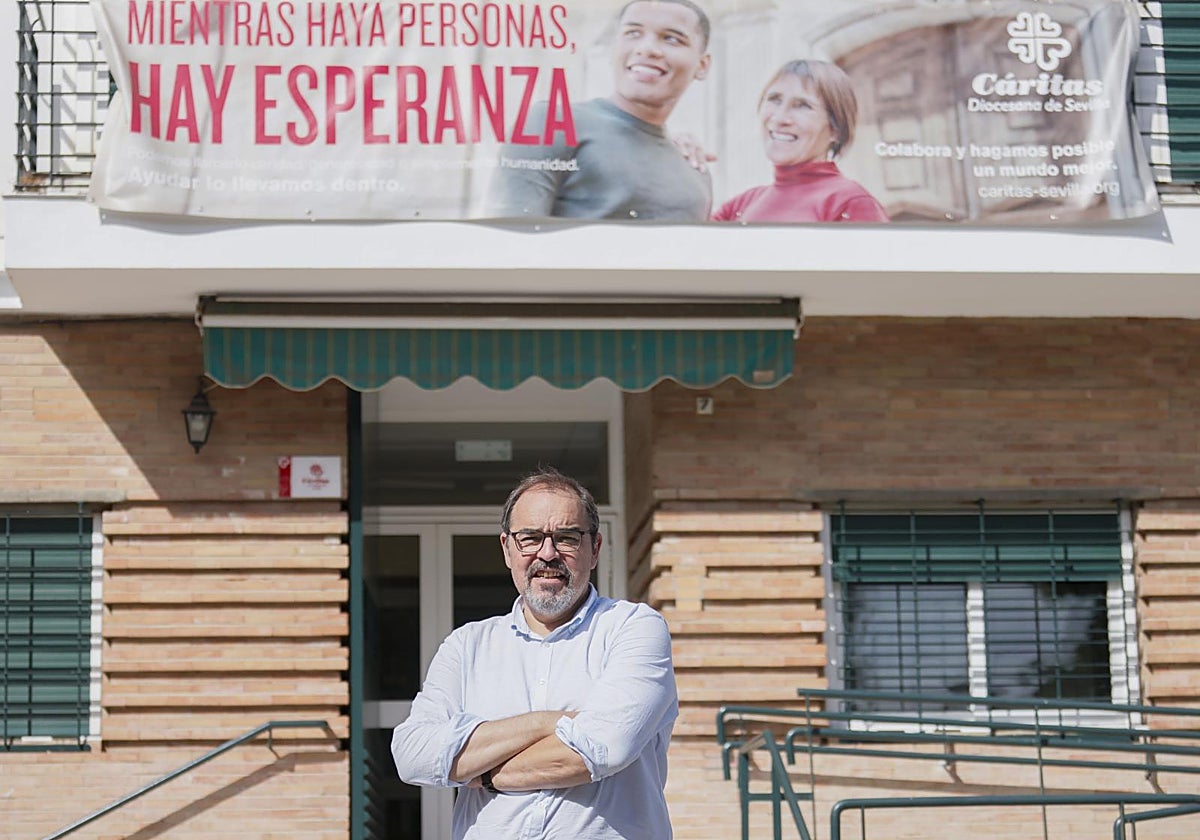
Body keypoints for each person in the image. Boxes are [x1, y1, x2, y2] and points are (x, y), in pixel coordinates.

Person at [391, 467, 679, 840]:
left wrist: (482, 773)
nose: (548, 553)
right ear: (507, 549)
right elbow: (413, 755)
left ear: (594, 549)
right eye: (529, 538)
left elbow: (604, 748)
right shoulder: (466, 646)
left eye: (567, 538)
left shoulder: (634, 628)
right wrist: (548, 722)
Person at [487, 0, 713, 221]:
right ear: (613, 49)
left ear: (702, 66)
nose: (647, 48)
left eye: (671, 39)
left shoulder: (695, 168)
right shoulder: (553, 122)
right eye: (633, 33)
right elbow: (510, 238)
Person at [713, 59, 889, 223]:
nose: (780, 118)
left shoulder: (851, 203)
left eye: (802, 105)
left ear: (836, 129)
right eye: (774, 100)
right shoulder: (741, 205)